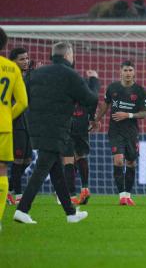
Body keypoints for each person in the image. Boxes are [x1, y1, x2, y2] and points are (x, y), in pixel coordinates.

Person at [14, 42, 97, 225]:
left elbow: (23, 96)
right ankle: (22, 210)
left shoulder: (36, 73)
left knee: (56, 171)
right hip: (56, 128)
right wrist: (94, 81)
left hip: (34, 127)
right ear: (68, 55)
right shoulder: (70, 75)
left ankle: (70, 213)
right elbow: (90, 99)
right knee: (42, 168)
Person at [95, 61, 146, 206]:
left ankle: (128, 195)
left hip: (131, 132)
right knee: (118, 160)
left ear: (134, 72)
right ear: (120, 72)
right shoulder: (113, 88)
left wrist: (128, 115)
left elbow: (144, 113)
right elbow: (105, 105)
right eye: (126, 70)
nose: (128, 73)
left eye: (131, 70)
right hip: (115, 131)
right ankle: (122, 196)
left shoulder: (139, 91)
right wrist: (96, 120)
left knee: (131, 162)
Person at [0, 29, 28, 231]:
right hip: (4, 127)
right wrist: (7, 117)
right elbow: (23, 102)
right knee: (2, 170)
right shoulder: (11, 68)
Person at [62, 72, 100, 206]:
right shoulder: (85, 92)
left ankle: (72, 196)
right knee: (80, 156)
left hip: (67, 125)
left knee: (68, 161)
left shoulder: (63, 88)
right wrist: (92, 117)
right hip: (82, 124)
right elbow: (95, 97)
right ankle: (85, 188)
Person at [6, 48, 31, 206]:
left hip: (27, 124)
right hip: (16, 125)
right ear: (13, 61)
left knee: (27, 161)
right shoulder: (11, 77)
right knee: (18, 160)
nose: (26, 61)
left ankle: (8, 187)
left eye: (27, 58)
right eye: (22, 59)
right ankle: (18, 194)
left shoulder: (26, 77)